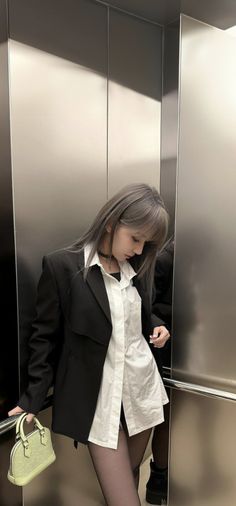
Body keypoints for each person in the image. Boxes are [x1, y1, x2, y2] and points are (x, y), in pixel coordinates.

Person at [9, 183, 170, 506]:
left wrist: (155, 324)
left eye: (146, 243)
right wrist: (33, 397)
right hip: (100, 403)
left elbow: (132, 314)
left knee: (130, 475)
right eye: (135, 238)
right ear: (111, 221)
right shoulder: (62, 267)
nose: (139, 250)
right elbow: (44, 336)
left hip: (141, 392)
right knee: (124, 498)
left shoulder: (135, 268)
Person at [146, 238, 174, 505]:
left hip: (197, 345)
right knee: (165, 417)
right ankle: (159, 476)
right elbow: (148, 307)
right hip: (165, 345)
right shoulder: (166, 257)